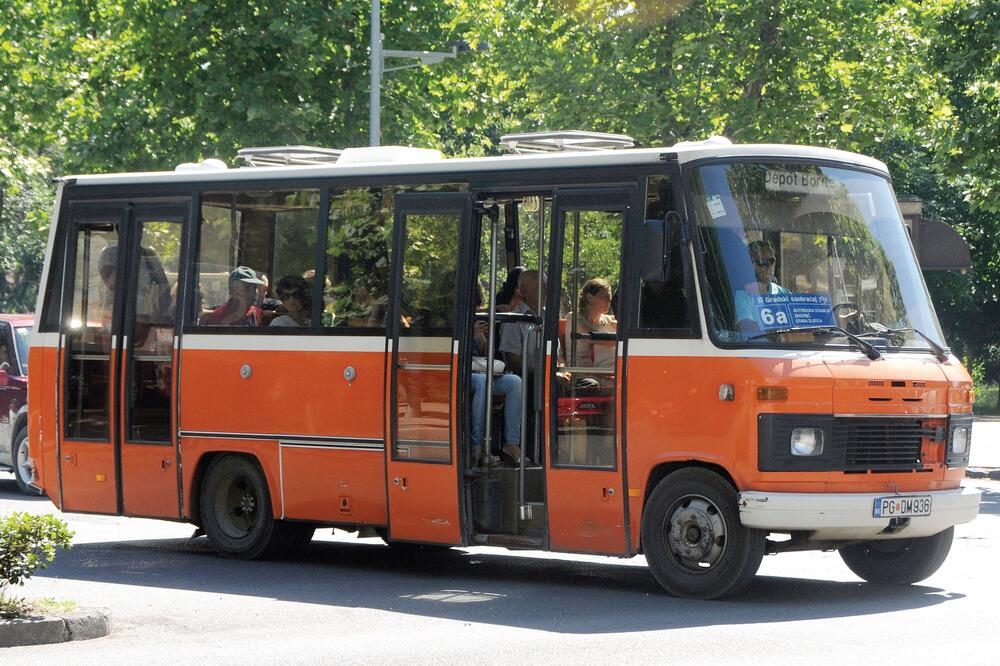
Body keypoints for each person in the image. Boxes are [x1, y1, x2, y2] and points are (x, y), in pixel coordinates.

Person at [469, 282, 523, 465]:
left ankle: (512, 443)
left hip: (477, 370)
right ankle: (478, 445)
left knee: (514, 382)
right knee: (483, 382)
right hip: (460, 373)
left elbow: (485, 355)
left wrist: (480, 337)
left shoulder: (477, 318)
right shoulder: (448, 318)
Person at [563, 278, 617, 369]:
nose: (609, 301)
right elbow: (598, 339)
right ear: (590, 298)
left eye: (610, 297)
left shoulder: (610, 321)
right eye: (605, 297)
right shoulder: (574, 318)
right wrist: (620, 336)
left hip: (610, 375)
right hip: (582, 375)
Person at [734, 239, 789, 326]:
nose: (769, 266)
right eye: (762, 261)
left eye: (771, 261)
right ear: (749, 265)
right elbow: (748, 328)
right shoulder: (742, 296)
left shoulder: (783, 292)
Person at [201, 266, 265, 326]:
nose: (253, 293)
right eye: (247, 288)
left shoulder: (258, 314)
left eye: (255, 287)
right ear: (232, 291)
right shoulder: (218, 317)